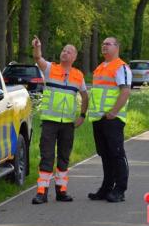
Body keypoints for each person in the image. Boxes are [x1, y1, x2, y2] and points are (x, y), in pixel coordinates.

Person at [31, 36, 88, 204]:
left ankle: (62, 192)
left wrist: (82, 116)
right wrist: (37, 47)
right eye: (63, 50)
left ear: (74, 57)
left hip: (68, 125)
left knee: (64, 157)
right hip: (50, 122)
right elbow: (37, 58)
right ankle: (42, 193)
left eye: (69, 51)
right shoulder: (50, 69)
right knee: (47, 156)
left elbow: (85, 96)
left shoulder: (78, 75)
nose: (65, 53)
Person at [87, 37, 131, 203]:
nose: (104, 46)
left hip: (113, 118)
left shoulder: (121, 67)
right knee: (105, 154)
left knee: (117, 153)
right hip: (99, 118)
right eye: (103, 43)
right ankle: (106, 188)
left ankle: (120, 190)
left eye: (108, 44)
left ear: (117, 47)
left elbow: (125, 92)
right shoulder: (100, 68)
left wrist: (113, 112)